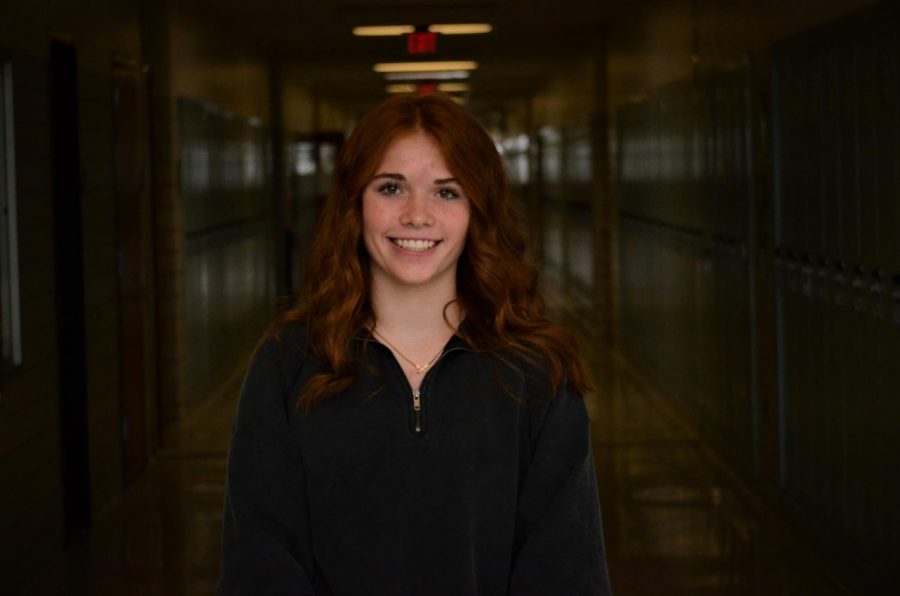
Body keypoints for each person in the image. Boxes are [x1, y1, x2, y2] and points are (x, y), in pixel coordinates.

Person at [218, 93, 613, 595]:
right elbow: (259, 561)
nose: (417, 215)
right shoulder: (289, 362)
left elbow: (567, 571)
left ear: (477, 210)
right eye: (391, 188)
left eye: (447, 193)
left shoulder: (537, 372)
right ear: (355, 203)